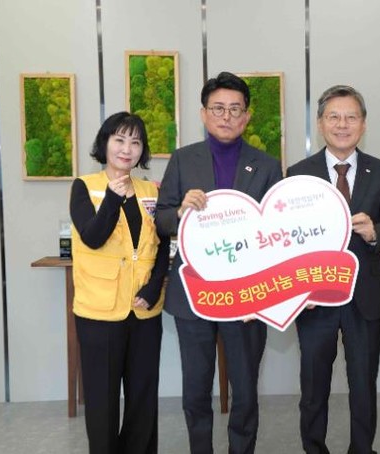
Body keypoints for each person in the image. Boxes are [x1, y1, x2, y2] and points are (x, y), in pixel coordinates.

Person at [155, 71, 282, 454]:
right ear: (203, 113)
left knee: (244, 389)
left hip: (248, 295)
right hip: (193, 293)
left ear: (247, 116)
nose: (226, 116)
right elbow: (161, 219)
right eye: (218, 108)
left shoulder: (267, 165)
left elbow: (277, 231)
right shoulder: (183, 159)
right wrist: (180, 211)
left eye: (235, 109)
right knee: (196, 387)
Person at [286, 85, 380, 454]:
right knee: (313, 386)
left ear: (363, 124)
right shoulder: (297, 174)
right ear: (320, 123)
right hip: (314, 298)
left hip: (364, 299)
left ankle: (362, 449)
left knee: (363, 385)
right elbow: (285, 235)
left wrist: (375, 232)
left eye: (351, 117)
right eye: (334, 117)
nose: (342, 124)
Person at [69, 111, 169, 454]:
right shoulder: (84, 187)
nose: (127, 149)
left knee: (143, 397)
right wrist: (114, 196)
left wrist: (155, 286)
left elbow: (162, 244)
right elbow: (93, 237)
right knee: (102, 401)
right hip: (99, 312)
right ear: (105, 143)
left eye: (136, 142)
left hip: (144, 310)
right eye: (120, 140)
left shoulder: (150, 190)